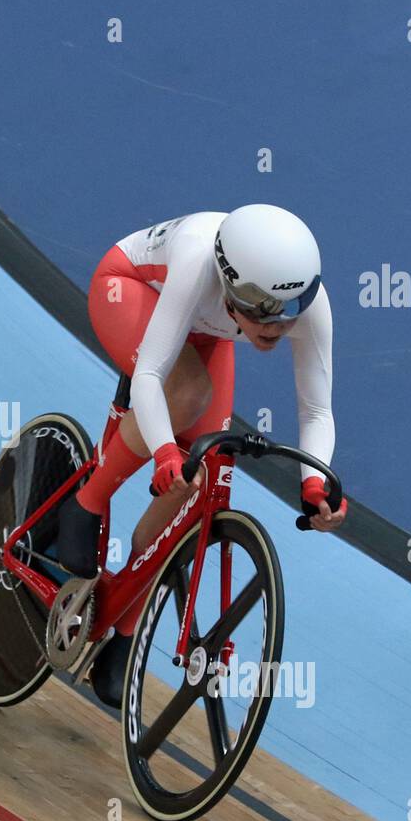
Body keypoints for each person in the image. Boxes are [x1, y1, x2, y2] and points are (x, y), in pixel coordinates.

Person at [57, 204, 348, 707]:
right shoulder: (196, 260)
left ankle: (125, 628)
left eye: (290, 311)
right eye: (265, 315)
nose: (279, 327)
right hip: (131, 290)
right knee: (187, 391)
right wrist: (166, 450)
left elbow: (317, 412)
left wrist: (314, 485)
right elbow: (149, 375)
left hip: (208, 328)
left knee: (205, 485)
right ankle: (86, 501)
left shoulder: (305, 304)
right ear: (233, 288)